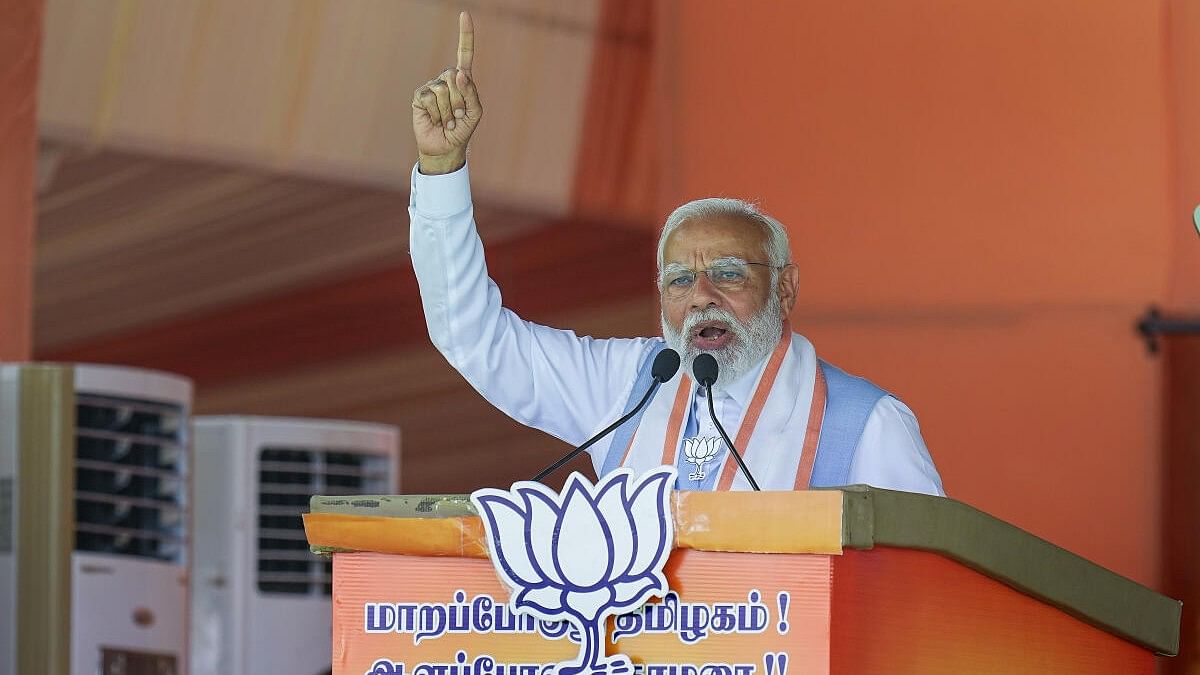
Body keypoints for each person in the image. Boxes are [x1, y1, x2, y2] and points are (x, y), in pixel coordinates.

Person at [408, 13, 944, 495]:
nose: (701, 299)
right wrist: (442, 170)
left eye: (728, 274)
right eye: (680, 281)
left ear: (785, 287)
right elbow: (471, 335)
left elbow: (925, 596)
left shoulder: (867, 424)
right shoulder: (627, 385)